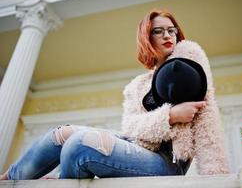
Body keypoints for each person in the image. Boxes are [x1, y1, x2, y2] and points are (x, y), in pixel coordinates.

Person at [0, 9, 229, 180]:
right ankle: (12, 177)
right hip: (138, 147)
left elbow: (208, 122)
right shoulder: (137, 86)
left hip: (169, 162)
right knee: (61, 134)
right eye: (158, 31)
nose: (167, 35)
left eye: (172, 30)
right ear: (147, 38)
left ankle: (61, 180)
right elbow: (131, 127)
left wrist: (217, 179)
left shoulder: (188, 65)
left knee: (80, 145)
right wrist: (169, 116)